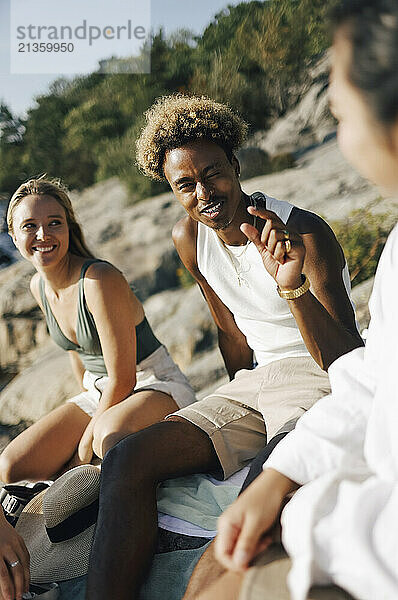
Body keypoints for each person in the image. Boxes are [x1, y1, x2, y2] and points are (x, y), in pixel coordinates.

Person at [85, 94, 364, 599]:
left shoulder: (304, 231)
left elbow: (346, 359)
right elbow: (231, 332)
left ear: (236, 166)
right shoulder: (189, 237)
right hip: (253, 385)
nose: (204, 193)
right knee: (127, 459)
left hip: (317, 377)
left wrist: (291, 286)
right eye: (185, 185)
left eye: (213, 173)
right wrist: (221, 410)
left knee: (264, 486)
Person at [202, 1, 398, 599]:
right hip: (284, 401)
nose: (337, 130)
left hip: (366, 545)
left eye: (339, 112)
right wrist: (282, 475)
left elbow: (350, 358)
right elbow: (378, 377)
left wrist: (312, 526)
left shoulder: (304, 228)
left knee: (231, 576)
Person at [0, 177, 195, 483]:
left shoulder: (98, 279)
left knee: (107, 439)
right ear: (12, 235)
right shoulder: (38, 286)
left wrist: (81, 450)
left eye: (54, 223)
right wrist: (83, 411)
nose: (43, 235)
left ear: (68, 228)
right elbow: (76, 353)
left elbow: (124, 378)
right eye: (29, 226)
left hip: (152, 383)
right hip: (101, 390)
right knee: (12, 466)